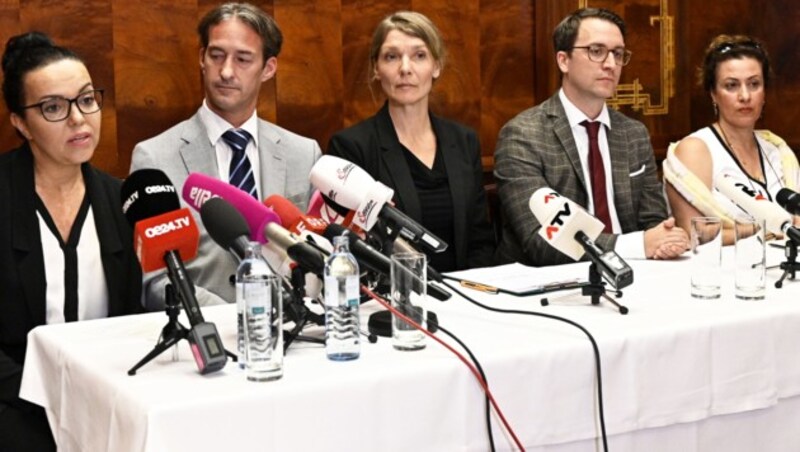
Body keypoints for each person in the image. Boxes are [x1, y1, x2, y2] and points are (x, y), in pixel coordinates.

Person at [0, 32, 143, 451]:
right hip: (13, 408)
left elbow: (132, 317)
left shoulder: (122, 200)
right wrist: (48, 402)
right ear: (20, 123)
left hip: (107, 400)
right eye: (53, 108)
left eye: (86, 99)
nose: (79, 119)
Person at [130, 2, 321, 309]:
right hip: (208, 333)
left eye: (243, 59)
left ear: (268, 68)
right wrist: (240, 317)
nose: (226, 71)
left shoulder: (304, 152)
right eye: (216, 55)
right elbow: (157, 280)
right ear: (201, 59)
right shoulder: (154, 157)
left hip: (294, 331)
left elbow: (316, 255)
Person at [493, 7, 688, 266]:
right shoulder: (523, 135)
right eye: (596, 51)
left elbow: (652, 221)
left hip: (635, 272)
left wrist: (665, 239)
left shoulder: (634, 134)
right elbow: (541, 242)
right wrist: (638, 244)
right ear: (563, 60)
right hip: (552, 283)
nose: (610, 64)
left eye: (617, 54)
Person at [326, 11, 496, 272]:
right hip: (392, 301)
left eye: (419, 55)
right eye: (392, 57)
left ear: (436, 66)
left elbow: (480, 240)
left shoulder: (464, 141)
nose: (405, 68)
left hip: (465, 297)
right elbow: (355, 247)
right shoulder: (351, 147)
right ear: (376, 68)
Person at [664, 35, 799, 245]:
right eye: (731, 85)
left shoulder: (777, 150)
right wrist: (769, 228)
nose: (745, 96)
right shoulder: (696, 149)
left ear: (764, 93)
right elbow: (694, 234)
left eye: (754, 84)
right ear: (713, 94)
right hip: (724, 273)